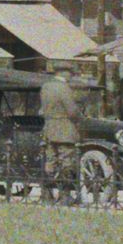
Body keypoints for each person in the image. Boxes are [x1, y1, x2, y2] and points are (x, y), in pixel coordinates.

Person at [37, 62, 84, 190]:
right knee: (67, 161)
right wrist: (80, 117)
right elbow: (72, 111)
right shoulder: (64, 88)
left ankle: (48, 193)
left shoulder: (46, 87)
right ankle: (65, 194)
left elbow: (42, 110)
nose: (71, 76)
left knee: (50, 160)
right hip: (64, 130)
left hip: (49, 129)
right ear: (64, 73)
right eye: (70, 73)